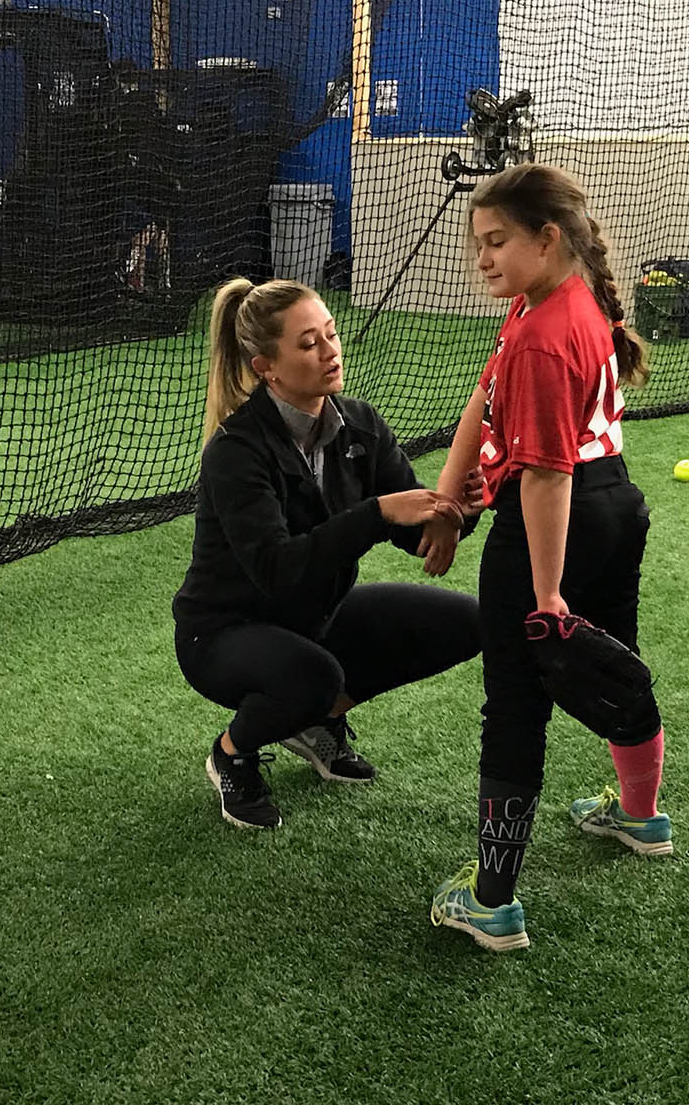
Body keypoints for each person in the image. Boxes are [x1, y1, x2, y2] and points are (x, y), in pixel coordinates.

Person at [427, 163, 672, 953]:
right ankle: (640, 817)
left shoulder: (541, 330)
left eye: (497, 242)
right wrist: (447, 494)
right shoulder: (566, 297)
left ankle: (491, 901)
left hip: (557, 520)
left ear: (547, 237)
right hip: (616, 506)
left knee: (515, 704)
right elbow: (484, 395)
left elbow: (544, 474)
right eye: (478, 245)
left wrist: (544, 593)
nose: (484, 259)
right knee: (617, 662)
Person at [172, 276, 485, 830]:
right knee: (314, 675)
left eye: (331, 335)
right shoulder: (237, 450)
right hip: (221, 633)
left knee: (470, 623)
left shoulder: (359, 424)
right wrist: (378, 513)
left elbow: (418, 540)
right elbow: (277, 570)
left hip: (312, 622)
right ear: (266, 365)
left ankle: (316, 721)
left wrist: (463, 507)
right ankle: (232, 752)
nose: (330, 351)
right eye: (308, 343)